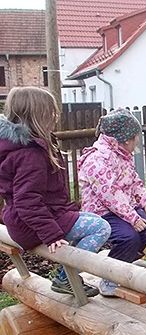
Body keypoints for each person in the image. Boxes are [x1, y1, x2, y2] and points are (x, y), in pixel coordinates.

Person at [0, 86, 110, 297]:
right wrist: (51, 235)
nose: (55, 116)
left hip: (29, 219)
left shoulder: (26, 146)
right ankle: (65, 277)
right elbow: (27, 202)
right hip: (30, 224)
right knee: (100, 228)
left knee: (90, 219)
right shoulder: (29, 154)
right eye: (50, 112)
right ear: (37, 116)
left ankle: (68, 274)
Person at [78, 108, 146, 296]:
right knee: (128, 238)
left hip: (125, 209)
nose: (137, 142)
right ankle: (110, 279)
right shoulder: (97, 159)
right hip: (103, 212)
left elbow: (135, 183)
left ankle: (123, 264)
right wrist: (132, 217)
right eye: (135, 138)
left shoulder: (123, 156)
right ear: (124, 140)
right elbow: (110, 194)